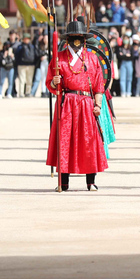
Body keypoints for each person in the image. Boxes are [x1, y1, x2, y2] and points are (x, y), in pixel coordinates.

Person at [47, 21, 108, 191]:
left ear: (84, 39)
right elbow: (51, 85)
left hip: (86, 103)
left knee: (88, 141)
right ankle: (64, 181)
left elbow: (98, 85)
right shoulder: (58, 58)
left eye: (79, 38)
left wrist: (98, 105)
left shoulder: (92, 58)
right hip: (67, 103)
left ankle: (91, 181)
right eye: (73, 37)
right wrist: (54, 81)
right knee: (65, 141)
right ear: (67, 39)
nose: (76, 41)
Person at [14, 33, 38, 98]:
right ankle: (21, 93)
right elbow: (17, 55)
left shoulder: (32, 46)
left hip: (30, 65)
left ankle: (28, 92)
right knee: (22, 80)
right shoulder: (20, 46)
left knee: (29, 80)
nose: (26, 40)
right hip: (22, 65)